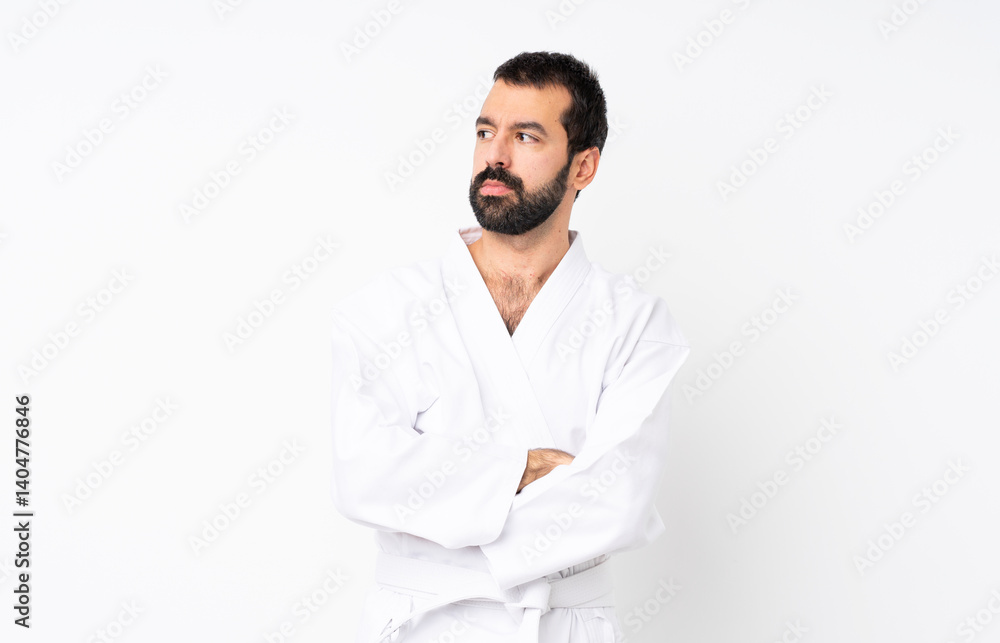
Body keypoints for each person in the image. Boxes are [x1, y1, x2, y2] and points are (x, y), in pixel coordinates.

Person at [330, 51, 690, 642]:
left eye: (525, 136)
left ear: (583, 166)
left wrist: (439, 502)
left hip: (562, 626)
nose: (494, 155)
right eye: (484, 132)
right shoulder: (387, 309)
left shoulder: (635, 323)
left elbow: (617, 502)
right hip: (420, 624)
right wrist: (522, 468)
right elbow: (364, 476)